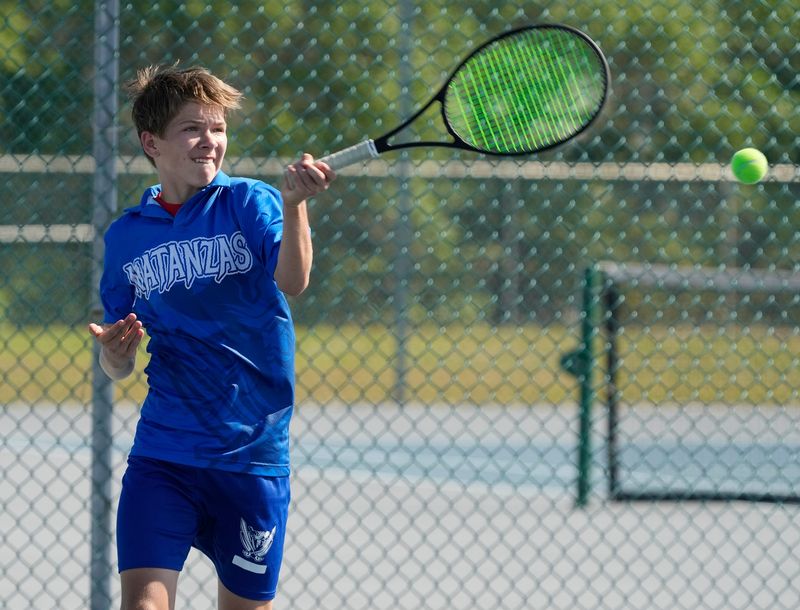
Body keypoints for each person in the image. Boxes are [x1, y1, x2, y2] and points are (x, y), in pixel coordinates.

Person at [88, 64, 335, 610]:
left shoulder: (250, 203)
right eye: (193, 129)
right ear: (152, 143)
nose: (211, 142)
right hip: (165, 451)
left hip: (251, 457)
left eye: (218, 128)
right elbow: (118, 365)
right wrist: (114, 354)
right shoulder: (127, 236)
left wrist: (294, 207)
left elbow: (293, 282)